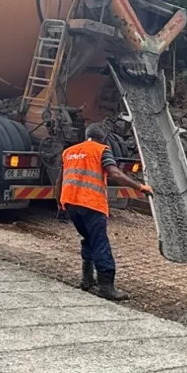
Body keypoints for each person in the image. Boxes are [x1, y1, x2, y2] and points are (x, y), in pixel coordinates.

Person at [60, 124, 152, 301]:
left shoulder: (69, 151)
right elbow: (114, 173)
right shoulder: (102, 150)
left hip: (70, 202)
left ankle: (86, 279)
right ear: (102, 138)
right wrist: (140, 187)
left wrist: (59, 204)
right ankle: (106, 287)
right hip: (91, 204)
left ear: (87, 135)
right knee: (100, 242)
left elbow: (60, 178)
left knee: (88, 238)